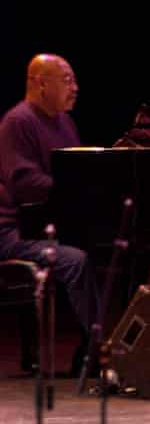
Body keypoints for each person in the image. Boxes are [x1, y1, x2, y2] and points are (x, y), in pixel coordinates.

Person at [0, 53, 101, 376]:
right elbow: (25, 184)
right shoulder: (18, 122)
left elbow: (75, 175)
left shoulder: (65, 122)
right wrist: (78, 192)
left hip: (47, 225)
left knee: (115, 250)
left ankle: (94, 347)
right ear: (42, 83)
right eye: (67, 80)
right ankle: (103, 350)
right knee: (75, 260)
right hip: (14, 234)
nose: (76, 88)